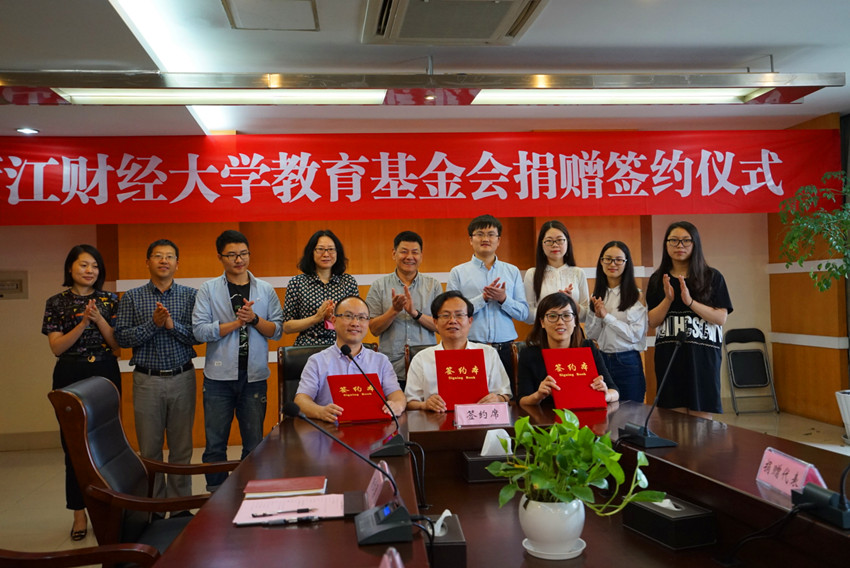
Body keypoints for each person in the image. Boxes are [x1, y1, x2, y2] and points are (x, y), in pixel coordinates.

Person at [193, 230, 283, 491]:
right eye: (231, 255)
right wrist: (235, 323)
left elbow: (277, 330)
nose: (239, 259)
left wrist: (253, 319)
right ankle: (216, 497)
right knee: (215, 445)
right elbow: (199, 331)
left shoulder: (265, 289)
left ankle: (249, 495)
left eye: (243, 253)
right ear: (220, 257)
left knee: (254, 444)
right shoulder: (209, 289)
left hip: (254, 376)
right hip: (218, 378)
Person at [42, 244, 120, 541]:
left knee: (109, 444)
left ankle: (110, 506)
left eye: (95, 266)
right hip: (70, 373)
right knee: (74, 445)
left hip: (104, 372)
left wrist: (99, 319)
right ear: (70, 268)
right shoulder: (56, 302)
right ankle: (78, 512)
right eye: (84, 265)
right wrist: (83, 322)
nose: (90, 270)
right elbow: (57, 347)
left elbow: (116, 346)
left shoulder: (110, 300)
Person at [115, 239, 199, 503]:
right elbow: (122, 338)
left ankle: (179, 506)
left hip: (183, 378)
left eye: (169, 256)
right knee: (150, 451)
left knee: (181, 450)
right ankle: (154, 508)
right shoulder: (132, 297)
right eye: (158, 256)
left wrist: (172, 325)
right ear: (148, 262)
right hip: (147, 380)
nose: (164, 260)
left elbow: (198, 336)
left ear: (177, 263)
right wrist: (153, 324)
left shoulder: (190, 295)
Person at [647, 221, 732, 418]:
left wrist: (690, 302)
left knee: (701, 423)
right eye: (674, 241)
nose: (680, 246)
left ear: (695, 244)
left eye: (686, 241)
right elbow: (652, 321)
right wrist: (668, 299)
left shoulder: (712, 276)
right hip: (669, 357)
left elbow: (721, 318)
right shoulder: (658, 279)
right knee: (673, 422)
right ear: (666, 244)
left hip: (703, 358)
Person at [295, 296, 405, 423]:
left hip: (372, 430)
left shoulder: (381, 361)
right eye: (348, 316)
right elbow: (301, 400)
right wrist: (320, 411)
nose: (355, 323)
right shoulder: (317, 361)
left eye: (362, 317)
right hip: (329, 429)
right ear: (334, 321)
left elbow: (397, 395)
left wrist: (397, 405)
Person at [446, 215, 528, 378]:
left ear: (498, 240)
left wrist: (503, 299)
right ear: (471, 239)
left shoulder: (512, 271)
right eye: (480, 234)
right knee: (471, 391)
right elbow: (452, 312)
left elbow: (524, 313)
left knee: (506, 392)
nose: (485, 239)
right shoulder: (458, 272)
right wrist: (483, 299)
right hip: (470, 346)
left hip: (505, 349)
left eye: (491, 234)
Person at [405, 291, 512, 412]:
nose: (452, 320)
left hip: (481, 419)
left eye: (459, 315)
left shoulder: (488, 353)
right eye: (445, 315)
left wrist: (497, 399)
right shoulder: (421, 358)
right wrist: (425, 405)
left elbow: (505, 395)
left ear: (470, 321)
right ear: (435, 322)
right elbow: (410, 402)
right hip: (436, 419)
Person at [517, 292, 619, 406]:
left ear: (575, 321)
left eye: (566, 316)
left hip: (585, 414)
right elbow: (522, 400)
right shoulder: (529, 354)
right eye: (552, 316)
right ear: (542, 322)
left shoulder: (588, 347)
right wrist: (538, 395)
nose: (560, 322)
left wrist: (605, 395)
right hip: (546, 415)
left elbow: (614, 391)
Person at [365, 231, 441, 382]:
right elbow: (373, 329)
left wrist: (415, 314)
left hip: (427, 365)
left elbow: (440, 326)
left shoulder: (433, 285)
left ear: (421, 256)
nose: (409, 257)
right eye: (404, 252)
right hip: (391, 366)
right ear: (394, 254)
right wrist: (394, 311)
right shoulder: (378, 286)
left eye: (415, 252)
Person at [585, 241, 648, 402]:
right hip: (601, 360)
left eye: (619, 260)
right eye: (608, 259)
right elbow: (592, 335)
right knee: (604, 410)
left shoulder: (636, 295)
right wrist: (598, 317)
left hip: (627, 361)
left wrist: (607, 317)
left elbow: (634, 335)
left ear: (626, 263)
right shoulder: (596, 295)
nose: (612, 264)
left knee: (632, 412)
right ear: (601, 262)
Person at [282, 230, 358, 346]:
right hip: (308, 346)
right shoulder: (297, 283)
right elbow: (287, 327)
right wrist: (317, 318)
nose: (326, 254)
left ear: (337, 252)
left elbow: (356, 319)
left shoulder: (348, 282)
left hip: (341, 345)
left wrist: (338, 317)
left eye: (331, 249)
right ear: (311, 252)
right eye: (320, 249)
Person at [523, 220, 589, 324]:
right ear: (541, 245)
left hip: (571, 331)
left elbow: (585, 316)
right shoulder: (532, 274)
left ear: (567, 242)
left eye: (559, 240)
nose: (555, 245)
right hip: (543, 331)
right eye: (549, 241)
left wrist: (571, 301)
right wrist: (551, 315)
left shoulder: (578, 273)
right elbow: (527, 316)